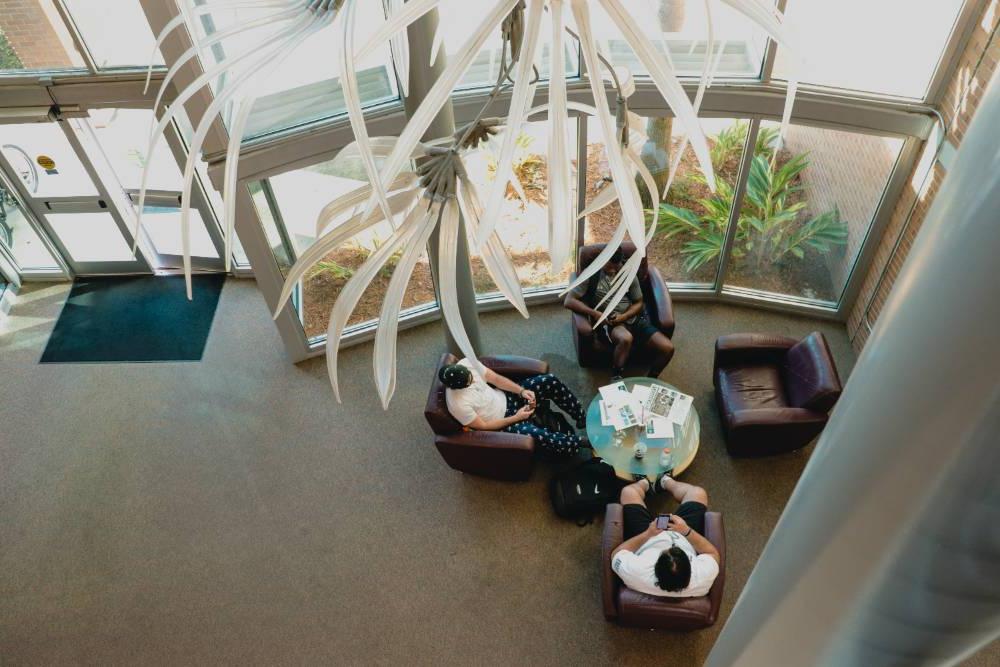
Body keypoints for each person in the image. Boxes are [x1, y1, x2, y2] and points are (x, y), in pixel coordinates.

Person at [440, 358, 588, 458]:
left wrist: (521, 391)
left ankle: (581, 416)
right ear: (457, 387)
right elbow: (483, 426)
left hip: (507, 397)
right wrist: (517, 417)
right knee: (540, 435)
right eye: (468, 382)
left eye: (471, 377)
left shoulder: (467, 363)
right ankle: (579, 442)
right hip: (504, 422)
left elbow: (496, 379)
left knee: (549, 381)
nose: (472, 381)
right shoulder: (457, 404)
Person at [563, 247, 674, 380]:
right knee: (625, 339)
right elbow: (569, 301)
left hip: (633, 318)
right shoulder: (591, 274)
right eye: (610, 268)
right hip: (609, 323)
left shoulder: (627, 272)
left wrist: (624, 316)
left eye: (617, 267)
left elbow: (638, 302)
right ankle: (616, 375)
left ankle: (651, 379)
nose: (614, 271)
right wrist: (595, 314)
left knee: (668, 348)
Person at [610, 473, 720, 597]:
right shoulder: (702, 576)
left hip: (647, 539)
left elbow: (616, 554)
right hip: (684, 537)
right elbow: (712, 553)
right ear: (690, 569)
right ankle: (664, 480)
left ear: (655, 568)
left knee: (628, 492)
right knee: (698, 493)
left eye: (666, 551)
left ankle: (644, 482)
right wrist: (686, 531)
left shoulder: (636, 571)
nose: (671, 546)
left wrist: (647, 534)